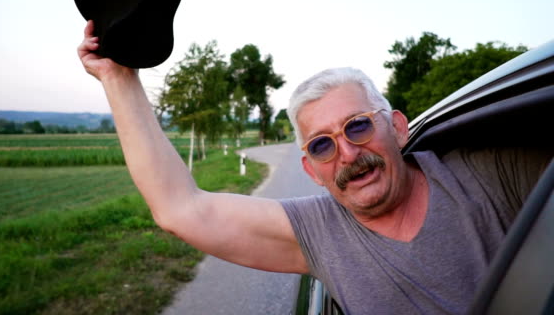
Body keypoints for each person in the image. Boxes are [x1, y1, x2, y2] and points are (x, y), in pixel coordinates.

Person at [77, 20, 551, 314]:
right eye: (322, 145)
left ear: (400, 128)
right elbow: (180, 209)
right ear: (310, 169)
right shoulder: (319, 233)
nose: (346, 154)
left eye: (358, 127)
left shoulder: (492, 170)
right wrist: (118, 78)